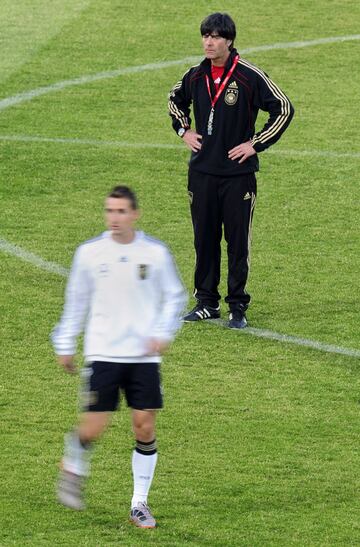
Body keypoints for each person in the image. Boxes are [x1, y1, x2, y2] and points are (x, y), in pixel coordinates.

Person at [51, 185, 186, 529]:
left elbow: (175, 296)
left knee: (144, 426)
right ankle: (74, 463)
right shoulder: (90, 254)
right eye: (110, 211)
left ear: (135, 214)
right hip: (104, 353)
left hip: (143, 358)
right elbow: (76, 302)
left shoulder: (154, 253)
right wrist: (65, 342)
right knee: (94, 427)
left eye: (121, 211)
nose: (115, 218)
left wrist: (163, 333)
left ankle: (139, 503)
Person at [168, 12, 294, 328]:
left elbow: (284, 108)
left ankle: (237, 307)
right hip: (203, 173)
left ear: (229, 41)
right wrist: (184, 131)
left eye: (215, 36)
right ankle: (206, 302)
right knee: (204, 239)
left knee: (237, 243)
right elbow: (174, 100)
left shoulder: (249, 76)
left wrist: (256, 143)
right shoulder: (195, 75)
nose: (209, 42)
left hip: (238, 176)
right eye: (205, 35)